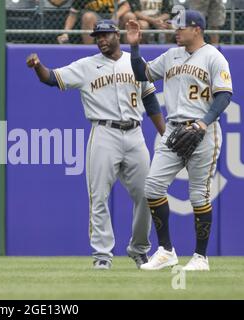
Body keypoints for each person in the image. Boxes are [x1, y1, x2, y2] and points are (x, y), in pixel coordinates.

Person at [27, 20, 166, 269]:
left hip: (135, 134)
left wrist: (164, 134)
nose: (100, 39)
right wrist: (38, 66)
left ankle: (139, 249)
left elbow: (151, 101)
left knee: (148, 195)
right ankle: (102, 255)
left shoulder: (135, 63)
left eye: (105, 35)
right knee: (98, 196)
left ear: (116, 35)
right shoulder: (86, 66)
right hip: (104, 133)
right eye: (97, 36)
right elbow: (51, 78)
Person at [127, 10, 233, 270]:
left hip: (203, 131)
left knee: (198, 194)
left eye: (180, 27)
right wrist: (134, 46)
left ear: (196, 29)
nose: (175, 31)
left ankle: (200, 257)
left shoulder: (213, 57)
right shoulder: (171, 55)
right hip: (174, 131)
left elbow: (224, 95)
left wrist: (203, 122)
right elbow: (143, 74)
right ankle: (166, 251)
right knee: (152, 186)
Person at [57, 0, 131, 44]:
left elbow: (126, 6)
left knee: (129, 16)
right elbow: (73, 15)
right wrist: (65, 33)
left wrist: (116, 15)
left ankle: (129, 48)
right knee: (88, 16)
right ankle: (89, 50)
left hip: (113, 18)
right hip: (96, 21)